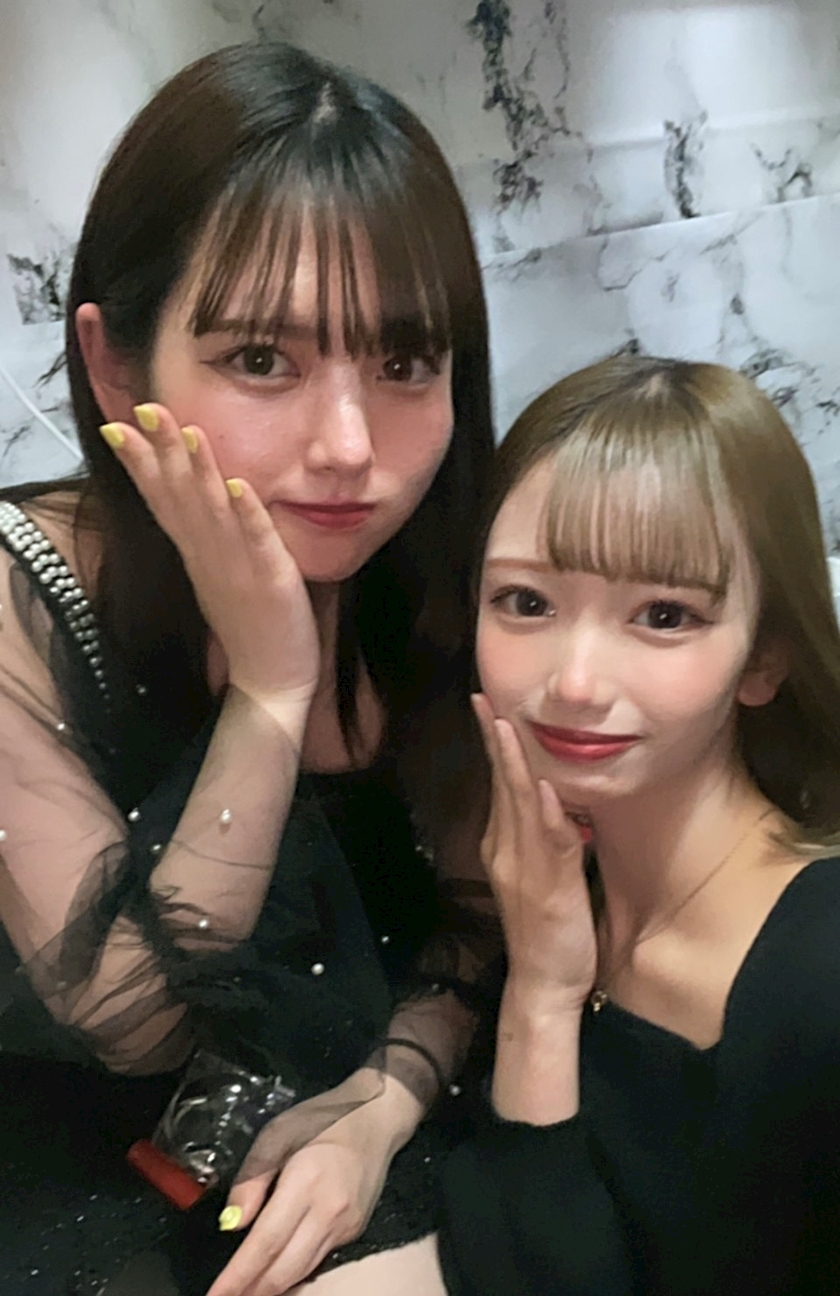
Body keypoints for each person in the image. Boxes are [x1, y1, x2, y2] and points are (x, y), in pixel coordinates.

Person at [0, 40, 496, 1296]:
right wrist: (272, 690)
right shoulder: (19, 591)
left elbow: (484, 916)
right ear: (116, 364)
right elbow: (134, 1020)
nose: (350, 448)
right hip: (84, 1194)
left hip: (387, 1138)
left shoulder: (441, 562)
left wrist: (386, 1100)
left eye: (405, 363)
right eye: (262, 360)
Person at [438, 354, 840, 1295]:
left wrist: (543, 1001)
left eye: (664, 614)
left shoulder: (818, 979)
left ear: (764, 659)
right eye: (526, 602)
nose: (575, 683)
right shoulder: (558, 870)